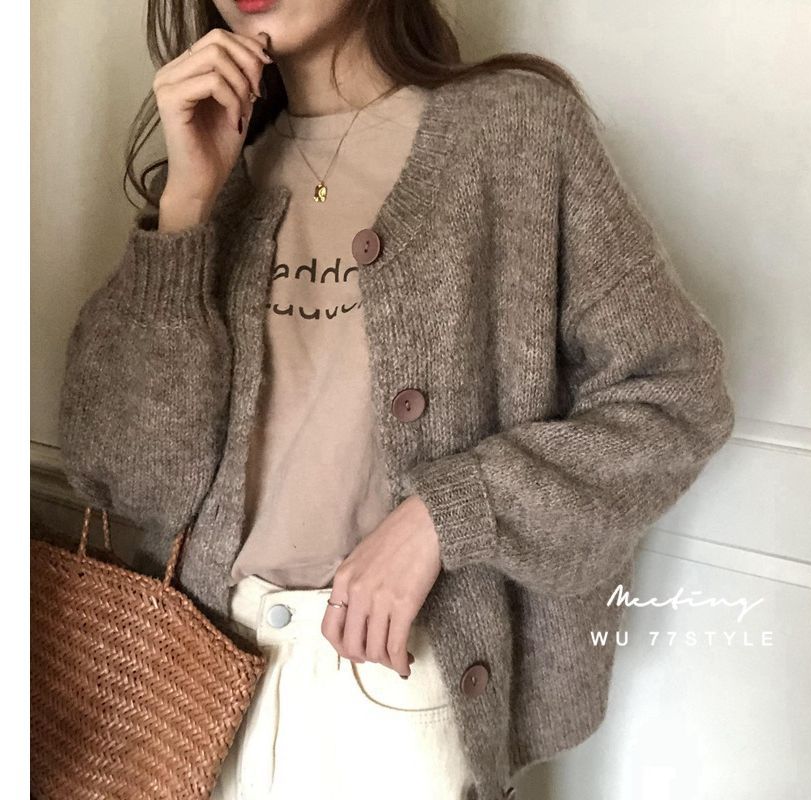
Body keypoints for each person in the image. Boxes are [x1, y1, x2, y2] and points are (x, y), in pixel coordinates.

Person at [57, 1, 736, 799]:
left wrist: (450, 513)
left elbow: (676, 395)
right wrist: (186, 207)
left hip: (394, 688)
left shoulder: (513, 132)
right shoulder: (218, 175)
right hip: (190, 693)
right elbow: (128, 480)